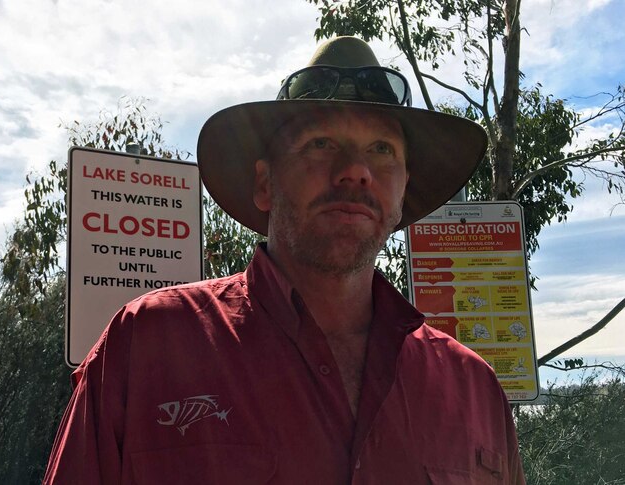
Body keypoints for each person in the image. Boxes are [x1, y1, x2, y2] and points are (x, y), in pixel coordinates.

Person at [44, 37, 524, 484]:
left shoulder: (474, 390)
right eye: (321, 143)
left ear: (403, 190)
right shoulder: (146, 345)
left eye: (381, 149)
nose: (356, 171)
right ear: (263, 184)